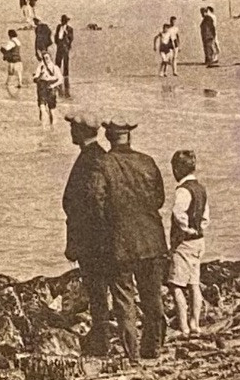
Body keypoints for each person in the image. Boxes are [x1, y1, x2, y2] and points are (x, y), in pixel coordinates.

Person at [88, 118, 168, 361]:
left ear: (109, 137)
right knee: (152, 297)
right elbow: (159, 199)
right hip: (152, 240)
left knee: (125, 300)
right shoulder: (147, 162)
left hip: (119, 244)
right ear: (129, 136)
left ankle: (132, 354)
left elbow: (95, 203)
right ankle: (153, 347)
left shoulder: (102, 164)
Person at [61, 112, 112, 356]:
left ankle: (102, 337)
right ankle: (104, 332)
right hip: (97, 238)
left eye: (73, 127)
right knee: (99, 288)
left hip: (92, 239)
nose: (70, 131)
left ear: (81, 132)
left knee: (97, 288)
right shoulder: (98, 156)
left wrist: (75, 242)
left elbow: (86, 206)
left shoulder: (90, 159)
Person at [166, 150, 209, 338]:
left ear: (178, 169)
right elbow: (206, 216)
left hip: (184, 243)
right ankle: (195, 324)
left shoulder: (183, 189)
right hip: (199, 241)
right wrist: (198, 228)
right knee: (194, 284)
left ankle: (183, 326)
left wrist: (186, 229)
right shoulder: (200, 188)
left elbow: (178, 212)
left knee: (176, 285)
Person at [33, 52, 63, 125]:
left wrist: (53, 85)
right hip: (42, 87)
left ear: (50, 58)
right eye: (44, 58)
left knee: (52, 109)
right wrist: (40, 75)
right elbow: (35, 78)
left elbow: (60, 79)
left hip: (51, 88)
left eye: (47, 57)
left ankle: (53, 126)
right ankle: (44, 126)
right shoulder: (40, 67)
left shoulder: (54, 67)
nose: (46, 59)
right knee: (42, 107)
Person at [53, 14, 74, 97]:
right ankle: (57, 74)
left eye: (65, 21)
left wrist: (67, 34)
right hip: (60, 46)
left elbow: (71, 38)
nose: (63, 22)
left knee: (66, 61)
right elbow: (56, 36)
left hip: (65, 47)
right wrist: (57, 42)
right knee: (57, 61)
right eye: (63, 21)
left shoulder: (70, 29)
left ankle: (66, 76)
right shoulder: (58, 27)